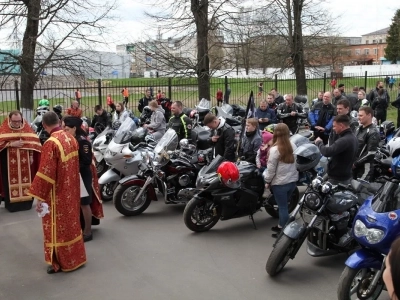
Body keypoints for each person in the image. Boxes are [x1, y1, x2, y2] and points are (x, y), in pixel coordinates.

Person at [28, 111, 86, 274]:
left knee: (57, 229)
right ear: (59, 121)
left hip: (57, 195)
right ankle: (76, 257)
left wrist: (39, 196)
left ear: (45, 126)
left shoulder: (51, 143)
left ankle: (60, 262)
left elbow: (46, 173)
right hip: (71, 192)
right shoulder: (70, 138)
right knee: (72, 226)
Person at [62, 116, 96, 242]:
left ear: (74, 128)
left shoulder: (82, 141)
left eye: (67, 128)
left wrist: (71, 167)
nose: (65, 130)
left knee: (84, 203)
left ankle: (87, 231)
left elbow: (86, 161)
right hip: (73, 175)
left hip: (82, 176)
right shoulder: (70, 139)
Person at [0, 110, 41, 212]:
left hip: (25, 161)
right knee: (9, 181)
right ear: (10, 119)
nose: (17, 123)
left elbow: (33, 142)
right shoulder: (4, 129)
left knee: (27, 181)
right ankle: (11, 206)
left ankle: (26, 203)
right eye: (14, 121)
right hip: (8, 161)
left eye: (19, 121)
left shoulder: (26, 128)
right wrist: (10, 144)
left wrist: (31, 155)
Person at [264, 123, 298, 238]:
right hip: (292, 182)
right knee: (284, 205)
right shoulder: (293, 145)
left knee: (282, 207)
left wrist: (267, 181)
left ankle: (284, 231)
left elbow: (271, 170)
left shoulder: (274, 150)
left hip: (280, 183)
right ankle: (280, 225)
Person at [315, 115, 358, 185]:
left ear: (341, 126)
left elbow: (327, 152)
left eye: (334, 126)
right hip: (345, 176)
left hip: (338, 179)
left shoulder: (344, 140)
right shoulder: (353, 137)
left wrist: (319, 143)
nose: (333, 129)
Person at [353, 106, 380, 182]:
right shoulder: (358, 128)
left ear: (369, 115)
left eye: (361, 115)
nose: (358, 117)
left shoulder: (373, 132)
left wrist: (355, 164)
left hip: (364, 168)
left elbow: (371, 153)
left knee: (360, 190)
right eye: (358, 115)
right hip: (353, 165)